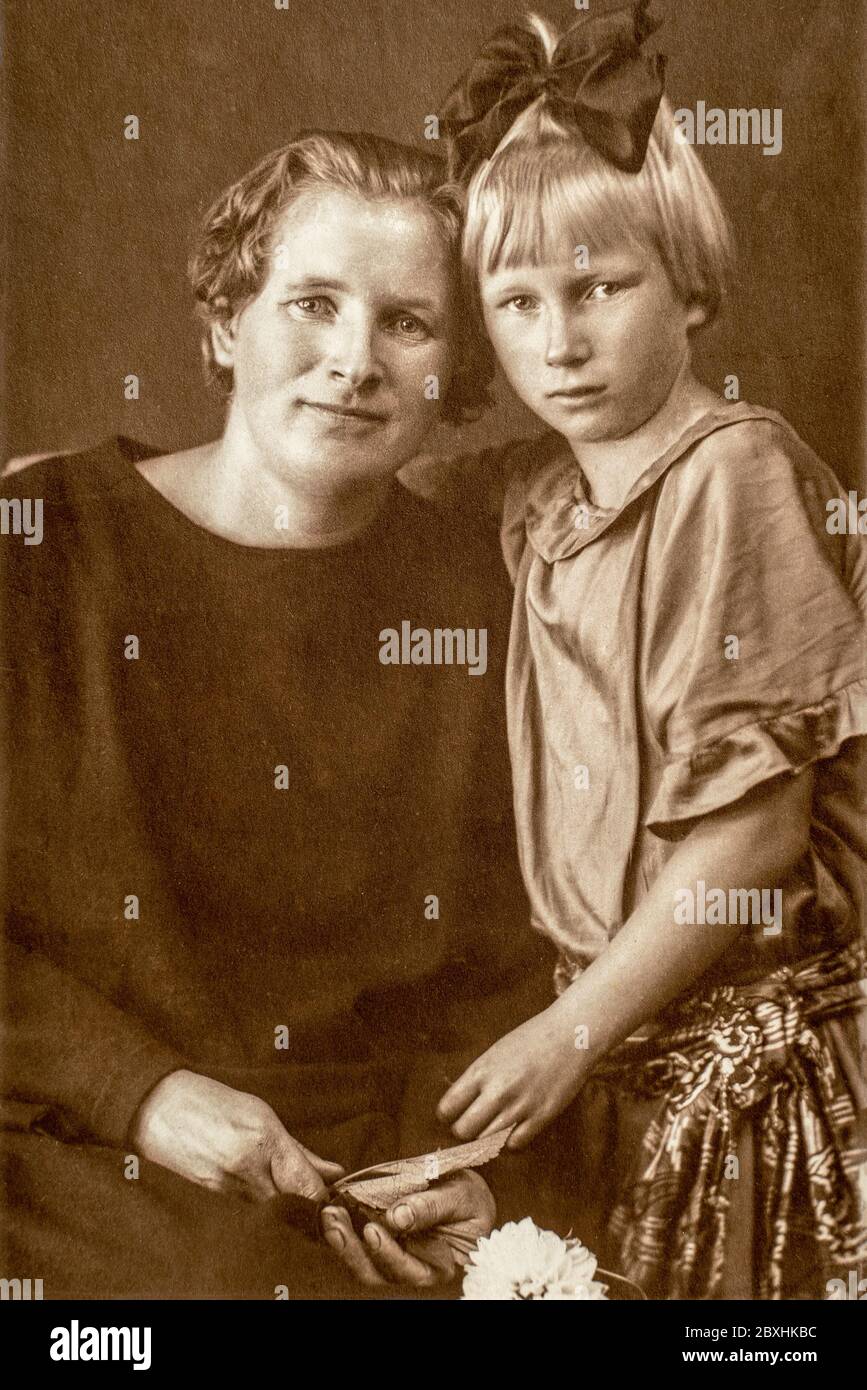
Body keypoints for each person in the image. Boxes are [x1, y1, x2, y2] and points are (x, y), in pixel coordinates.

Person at [0, 130, 552, 1299]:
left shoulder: (486, 597)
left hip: (361, 1168)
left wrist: (472, 1167)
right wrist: (137, 1092)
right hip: (63, 1142)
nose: (355, 360)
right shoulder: (40, 546)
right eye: (312, 303)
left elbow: (509, 957)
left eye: (407, 323)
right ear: (223, 326)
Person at [419, 4, 867, 1299]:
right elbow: (355, 490)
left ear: (688, 282)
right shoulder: (538, 494)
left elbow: (750, 833)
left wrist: (567, 1030)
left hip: (757, 1047)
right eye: (515, 302)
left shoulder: (727, 471)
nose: (555, 339)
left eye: (598, 289)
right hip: (629, 1041)